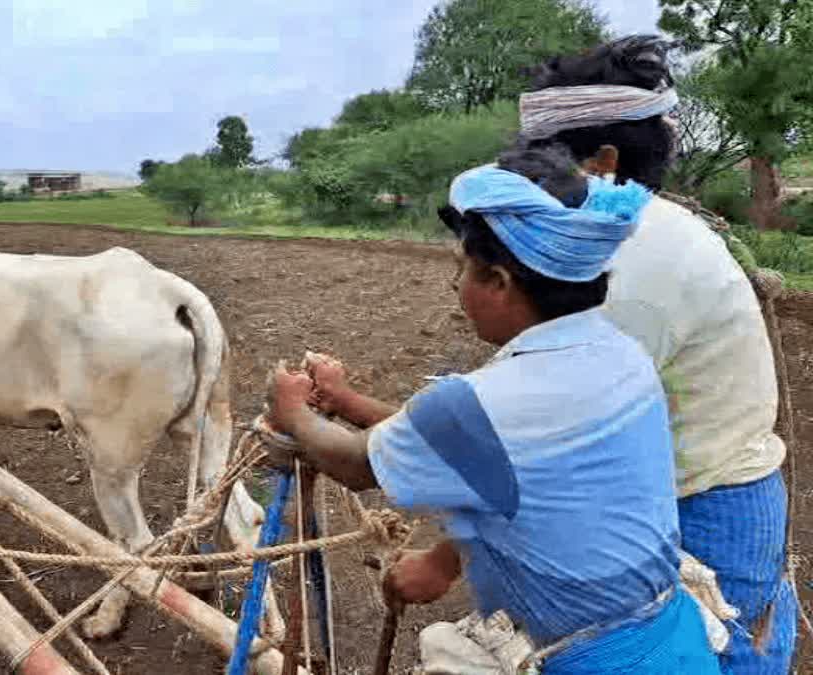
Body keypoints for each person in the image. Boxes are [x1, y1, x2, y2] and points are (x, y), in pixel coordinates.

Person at [265, 146, 719, 673]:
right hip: (672, 641)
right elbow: (480, 442)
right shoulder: (620, 354)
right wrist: (346, 401)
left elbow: (356, 464)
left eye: (462, 269)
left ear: (500, 283)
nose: (455, 285)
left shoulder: (484, 401)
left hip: (595, 661)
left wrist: (293, 411)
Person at [517, 34, 796, 674]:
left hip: (698, 516)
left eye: (534, 161)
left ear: (601, 164)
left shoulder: (629, 266)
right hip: (686, 496)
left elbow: (553, 437)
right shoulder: (632, 233)